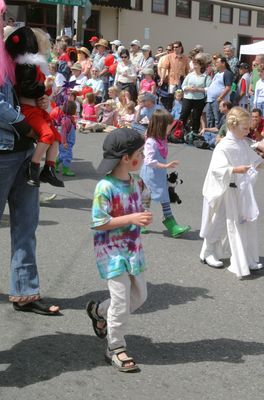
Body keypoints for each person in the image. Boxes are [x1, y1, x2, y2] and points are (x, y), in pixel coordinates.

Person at [0, 0, 59, 315]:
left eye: (3, 15)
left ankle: (25, 293)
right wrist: (23, 123)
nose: (3, 20)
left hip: (23, 148)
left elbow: (20, 93)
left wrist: (39, 99)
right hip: (4, 149)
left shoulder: (10, 53)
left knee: (26, 224)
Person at [87, 128, 152, 372]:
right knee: (122, 299)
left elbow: (143, 199)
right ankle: (115, 347)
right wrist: (132, 218)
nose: (143, 157)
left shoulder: (136, 182)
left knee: (139, 296)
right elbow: (98, 222)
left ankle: (99, 311)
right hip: (111, 252)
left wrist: (143, 215)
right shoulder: (105, 187)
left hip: (133, 249)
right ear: (126, 158)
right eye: (140, 153)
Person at [200, 107, 264, 277]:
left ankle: (244, 257)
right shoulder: (223, 146)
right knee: (219, 221)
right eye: (245, 128)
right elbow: (217, 169)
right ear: (233, 126)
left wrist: (261, 162)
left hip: (239, 190)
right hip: (225, 190)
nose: (248, 131)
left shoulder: (242, 142)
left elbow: (254, 160)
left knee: (242, 223)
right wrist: (235, 169)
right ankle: (208, 252)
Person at [5, 26, 64, 188]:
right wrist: (44, 88)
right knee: (46, 134)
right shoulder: (26, 66)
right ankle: (34, 168)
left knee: (56, 137)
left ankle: (49, 168)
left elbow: (41, 90)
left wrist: (46, 91)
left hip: (37, 109)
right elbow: (28, 88)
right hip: (29, 110)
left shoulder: (35, 66)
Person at [140, 110, 190, 237]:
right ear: (161, 126)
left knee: (165, 197)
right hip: (150, 174)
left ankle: (172, 226)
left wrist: (164, 167)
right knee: (146, 199)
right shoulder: (151, 141)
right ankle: (140, 223)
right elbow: (149, 161)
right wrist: (166, 165)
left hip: (160, 173)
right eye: (169, 125)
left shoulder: (162, 139)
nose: (171, 127)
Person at [180, 58, 211, 134]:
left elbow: (208, 88)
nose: (194, 66)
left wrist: (198, 89)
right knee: (184, 115)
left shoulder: (206, 77)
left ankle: (194, 133)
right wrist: (188, 88)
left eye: (196, 64)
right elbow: (183, 86)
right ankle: (179, 131)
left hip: (199, 99)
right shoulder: (189, 75)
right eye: (194, 64)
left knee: (196, 117)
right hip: (188, 98)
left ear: (201, 66)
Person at [206, 56, 233, 128]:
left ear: (223, 63)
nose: (215, 64)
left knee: (217, 119)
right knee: (209, 118)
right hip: (210, 100)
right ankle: (209, 135)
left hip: (218, 100)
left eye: (217, 62)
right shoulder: (217, 74)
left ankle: (217, 135)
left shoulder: (227, 73)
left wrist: (220, 97)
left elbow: (228, 87)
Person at [56, 100, 76, 176]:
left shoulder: (69, 118)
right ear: (73, 110)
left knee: (62, 155)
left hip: (67, 143)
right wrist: (64, 142)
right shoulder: (67, 120)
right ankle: (66, 170)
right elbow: (63, 132)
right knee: (68, 156)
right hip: (66, 143)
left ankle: (54, 164)